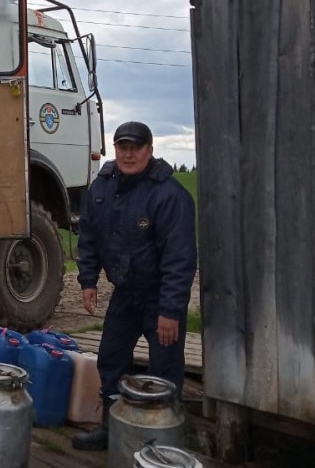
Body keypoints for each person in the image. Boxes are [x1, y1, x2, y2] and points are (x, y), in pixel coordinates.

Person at [71, 120, 197, 451]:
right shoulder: (103, 187)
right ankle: (112, 429)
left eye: (135, 148)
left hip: (160, 301)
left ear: (150, 151)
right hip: (125, 295)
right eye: (122, 147)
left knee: (164, 371)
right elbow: (89, 236)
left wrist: (170, 311)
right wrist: (88, 280)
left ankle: (163, 443)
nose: (128, 154)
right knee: (110, 360)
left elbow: (179, 259)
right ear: (115, 149)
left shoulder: (169, 196)